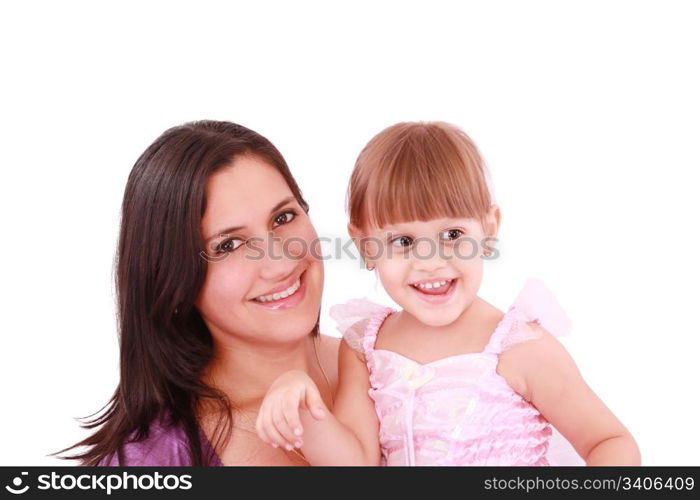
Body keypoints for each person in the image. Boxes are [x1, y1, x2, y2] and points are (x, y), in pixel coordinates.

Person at [255, 121, 641, 466]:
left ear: (488, 229)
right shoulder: (365, 347)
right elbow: (355, 465)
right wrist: (303, 404)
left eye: (452, 235)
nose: (431, 260)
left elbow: (609, 441)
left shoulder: (519, 347)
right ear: (365, 246)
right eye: (403, 240)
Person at [55, 120, 338, 465]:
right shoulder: (155, 458)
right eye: (229, 244)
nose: (279, 263)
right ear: (173, 279)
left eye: (283, 217)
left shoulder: (391, 360)